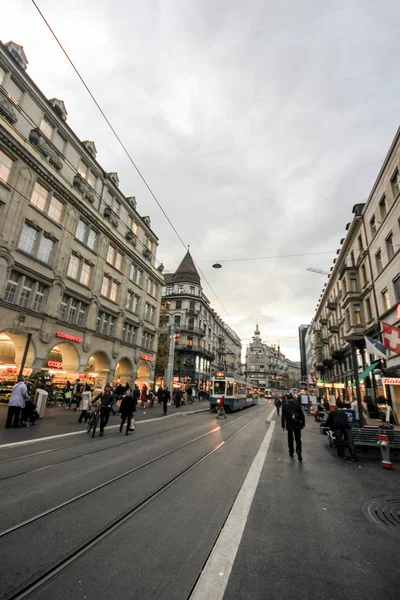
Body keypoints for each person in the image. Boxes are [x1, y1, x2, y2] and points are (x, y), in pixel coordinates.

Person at [281, 393, 305, 462]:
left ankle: (291, 451)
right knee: (298, 439)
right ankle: (299, 451)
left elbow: (283, 416)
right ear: (293, 398)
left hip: (289, 425)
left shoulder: (285, 406)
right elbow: (302, 415)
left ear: (287, 398)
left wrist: (283, 426)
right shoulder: (297, 405)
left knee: (290, 439)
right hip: (297, 424)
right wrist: (303, 424)